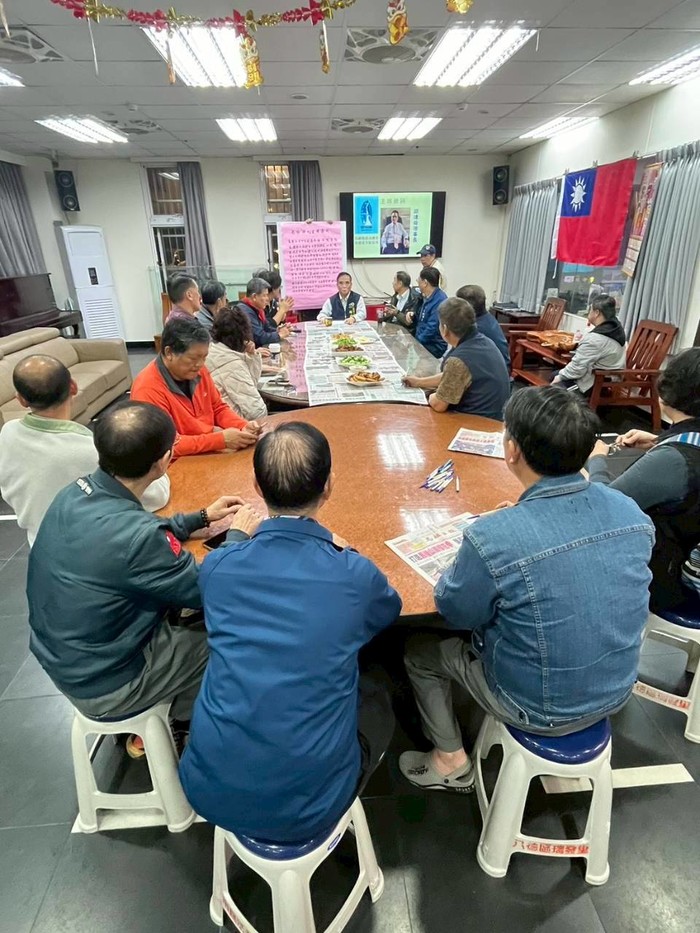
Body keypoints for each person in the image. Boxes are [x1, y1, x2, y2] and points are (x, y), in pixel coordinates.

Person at [399, 387, 654, 792]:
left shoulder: (493, 537)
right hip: (619, 689)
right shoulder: (630, 512)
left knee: (419, 652)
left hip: (539, 707)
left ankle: (449, 760)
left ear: (512, 450)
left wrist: (486, 545)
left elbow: (455, 610)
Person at [180, 422, 402, 842]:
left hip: (208, 787)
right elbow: (386, 613)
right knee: (377, 686)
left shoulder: (219, 566)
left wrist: (237, 537)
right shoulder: (353, 574)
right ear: (329, 486)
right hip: (314, 803)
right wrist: (348, 553)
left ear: (256, 487)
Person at [26, 401, 258, 746]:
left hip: (67, 661)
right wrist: (237, 536)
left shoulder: (73, 494)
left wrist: (200, 518)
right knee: (234, 635)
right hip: (108, 684)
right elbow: (208, 589)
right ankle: (190, 726)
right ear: (163, 461)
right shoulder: (140, 538)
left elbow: (136, 532)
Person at [0, 356, 169, 546]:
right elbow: (153, 497)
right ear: (73, 387)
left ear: (21, 400)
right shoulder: (88, 450)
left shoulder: (7, 433)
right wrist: (159, 469)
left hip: (39, 544)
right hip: (93, 550)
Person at [589, 348, 700, 612]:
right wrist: (660, 441)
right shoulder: (679, 449)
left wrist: (597, 459)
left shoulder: (673, 461)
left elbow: (602, 509)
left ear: (668, 391)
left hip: (670, 578)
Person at [131, 317, 261, 457]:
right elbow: (167, 445)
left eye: (204, 357)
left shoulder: (198, 371)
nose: (200, 364)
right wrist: (220, 440)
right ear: (169, 353)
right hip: (175, 462)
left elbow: (218, 408)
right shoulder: (147, 389)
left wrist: (242, 425)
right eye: (193, 358)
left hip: (206, 450)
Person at [403, 298, 510, 420]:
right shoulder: (484, 341)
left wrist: (430, 395)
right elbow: (451, 376)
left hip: (477, 422)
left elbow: (439, 404)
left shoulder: (459, 360)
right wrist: (419, 382)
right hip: (496, 418)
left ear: (445, 329)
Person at [552, 295, 626, 395]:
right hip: (607, 379)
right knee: (555, 375)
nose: (588, 312)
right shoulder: (615, 329)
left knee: (553, 387)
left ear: (597, 313)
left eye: (590, 309)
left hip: (594, 384)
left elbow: (577, 369)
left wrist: (560, 377)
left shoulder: (596, 339)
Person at [206, 306, 268, 422]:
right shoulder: (232, 364)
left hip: (220, 420)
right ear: (242, 334)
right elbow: (257, 412)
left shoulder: (213, 350)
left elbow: (250, 385)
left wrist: (251, 357)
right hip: (237, 424)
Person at [456, 284, 510, 369]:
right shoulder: (487, 318)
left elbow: (460, 358)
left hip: (493, 371)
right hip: (501, 368)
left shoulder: (476, 329)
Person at [235, 277, 291, 348]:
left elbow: (266, 328)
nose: (267, 298)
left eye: (267, 295)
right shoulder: (245, 311)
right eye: (264, 295)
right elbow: (259, 337)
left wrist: (278, 330)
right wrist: (279, 335)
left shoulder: (257, 308)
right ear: (254, 296)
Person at [410, 266, 448, 358]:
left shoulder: (440, 300)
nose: (418, 283)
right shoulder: (426, 296)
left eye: (419, 280)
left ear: (425, 283)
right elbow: (422, 318)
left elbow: (432, 327)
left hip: (433, 346)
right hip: (422, 342)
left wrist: (417, 342)